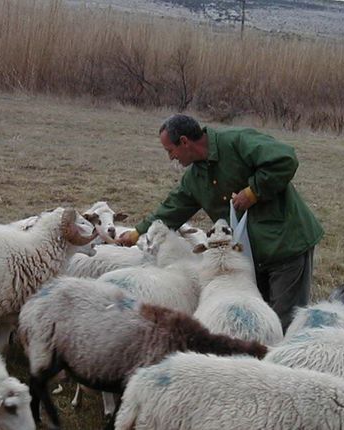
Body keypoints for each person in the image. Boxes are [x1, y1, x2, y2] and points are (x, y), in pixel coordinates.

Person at [116, 114, 324, 331]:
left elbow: (285, 159)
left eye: (170, 151)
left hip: (286, 245)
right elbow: (172, 209)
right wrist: (137, 233)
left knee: (284, 321)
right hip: (251, 255)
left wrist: (253, 192)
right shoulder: (195, 178)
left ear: (185, 141)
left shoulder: (237, 142)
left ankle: (288, 361)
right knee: (260, 321)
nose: (171, 157)